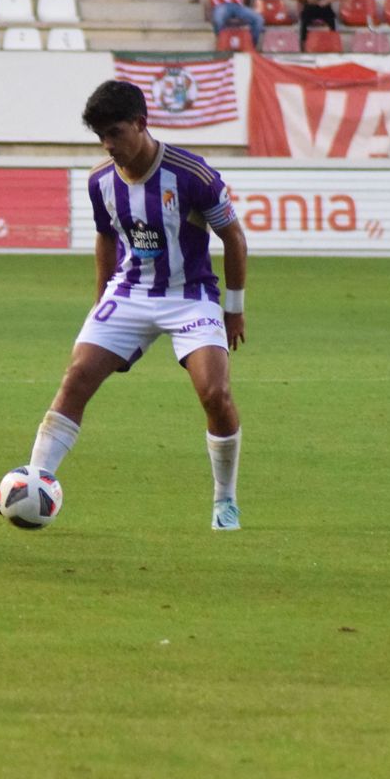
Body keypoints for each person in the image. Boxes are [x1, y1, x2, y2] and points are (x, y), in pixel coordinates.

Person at [20, 80, 248, 534]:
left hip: (190, 296)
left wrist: (234, 308)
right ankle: (32, 484)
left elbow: (234, 238)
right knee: (76, 377)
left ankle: (225, 499)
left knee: (215, 394)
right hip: (128, 293)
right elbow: (106, 238)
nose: (108, 144)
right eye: (100, 136)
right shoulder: (100, 180)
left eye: (116, 133)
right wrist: (100, 303)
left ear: (141, 123)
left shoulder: (193, 175)